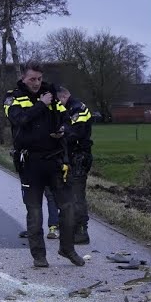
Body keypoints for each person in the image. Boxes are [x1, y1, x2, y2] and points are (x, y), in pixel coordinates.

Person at [3, 62, 84, 267]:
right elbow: (19, 120)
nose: (37, 83)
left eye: (39, 79)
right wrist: (41, 105)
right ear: (23, 78)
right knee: (35, 211)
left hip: (55, 160)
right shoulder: (13, 97)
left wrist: (64, 130)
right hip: (30, 162)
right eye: (32, 79)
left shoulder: (52, 94)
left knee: (68, 207)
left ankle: (67, 248)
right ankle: (39, 256)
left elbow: (67, 120)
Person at [56, 85, 94, 245]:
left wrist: (60, 133)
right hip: (73, 156)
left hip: (79, 155)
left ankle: (81, 231)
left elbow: (75, 133)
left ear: (64, 96)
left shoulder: (78, 109)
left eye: (58, 101)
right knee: (70, 193)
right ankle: (72, 227)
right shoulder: (71, 107)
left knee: (77, 194)